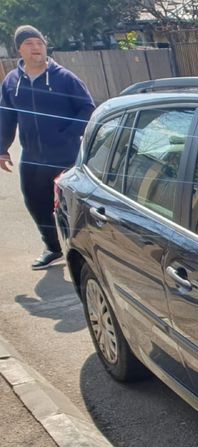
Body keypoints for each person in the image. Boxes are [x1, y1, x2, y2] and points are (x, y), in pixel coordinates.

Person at [0, 25, 95, 269]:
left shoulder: (64, 78)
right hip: (32, 156)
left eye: (40, 43)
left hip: (65, 156)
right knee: (35, 202)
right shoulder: (12, 81)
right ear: (19, 49)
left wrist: (66, 135)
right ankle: (53, 247)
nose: (36, 48)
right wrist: (2, 147)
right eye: (30, 44)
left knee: (72, 207)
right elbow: (7, 116)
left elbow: (87, 109)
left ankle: (83, 250)